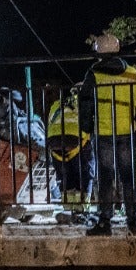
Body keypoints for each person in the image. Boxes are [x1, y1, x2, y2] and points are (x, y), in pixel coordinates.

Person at [85, 33, 136, 235]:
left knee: (106, 178)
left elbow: (85, 103)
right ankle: (133, 221)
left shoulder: (93, 74)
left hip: (104, 132)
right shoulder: (133, 73)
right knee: (128, 177)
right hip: (126, 130)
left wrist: (86, 126)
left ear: (98, 52)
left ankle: (105, 221)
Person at [45, 85, 94, 223]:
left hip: (54, 145)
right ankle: (82, 210)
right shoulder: (85, 102)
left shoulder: (57, 104)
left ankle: (68, 209)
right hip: (77, 142)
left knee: (66, 177)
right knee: (86, 174)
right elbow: (90, 124)